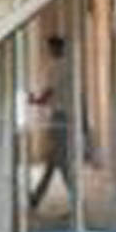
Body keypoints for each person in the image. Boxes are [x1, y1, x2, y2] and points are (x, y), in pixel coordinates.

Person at [28, 34, 74, 212]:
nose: (50, 51)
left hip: (59, 116)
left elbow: (49, 93)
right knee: (54, 160)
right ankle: (36, 197)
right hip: (62, 115)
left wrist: (35, 101)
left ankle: (73, 198)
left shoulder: (57, 67)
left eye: (51, 48)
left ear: (55, 48)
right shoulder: (68, 65)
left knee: (59, 161)